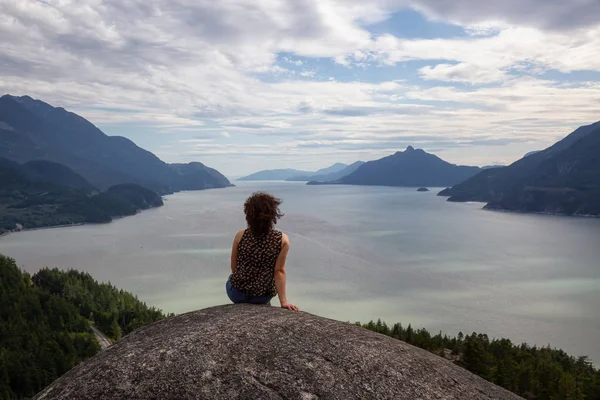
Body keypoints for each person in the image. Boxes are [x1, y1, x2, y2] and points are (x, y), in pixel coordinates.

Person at [226, 192, 300, 311]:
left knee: (230, 280)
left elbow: (234, 268)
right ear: (273, 216)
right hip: (262, 297)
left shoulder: (240, 236)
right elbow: (279, 271)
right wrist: (284, 301)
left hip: (237, 294)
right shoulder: (282, 240)